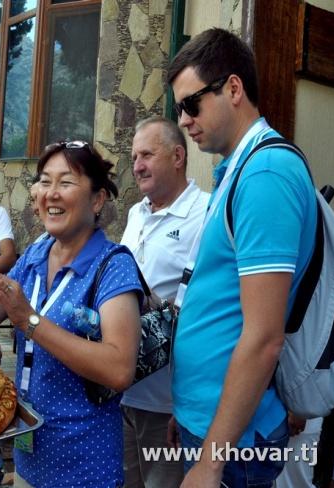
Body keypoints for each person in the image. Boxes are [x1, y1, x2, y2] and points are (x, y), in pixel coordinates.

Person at [0, 140, 143, 487]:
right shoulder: (36, 255)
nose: (50, 193)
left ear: (97, 199)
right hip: (30, 458)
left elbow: (119, 369)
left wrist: (29, 321)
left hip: (85, 465)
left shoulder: (113, 265)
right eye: (44, 181)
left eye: (65, 182)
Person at [166, 28, 317, 487]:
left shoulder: (265, 173)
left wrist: (210, 460)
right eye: (178, 109)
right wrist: (190, 409)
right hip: (214, 422)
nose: (184, 120)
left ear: (233, 88)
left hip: (235, 445)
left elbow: (264, 337)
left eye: (191, 104)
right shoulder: (238, 168)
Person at [120, 116, 209, 488]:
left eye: (146, 155)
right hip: (124, 392)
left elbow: (212, 309)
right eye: (134, 157)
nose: (137, 166)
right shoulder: (135, 213)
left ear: (177, 156)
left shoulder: (207, 214)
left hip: (170, 405)